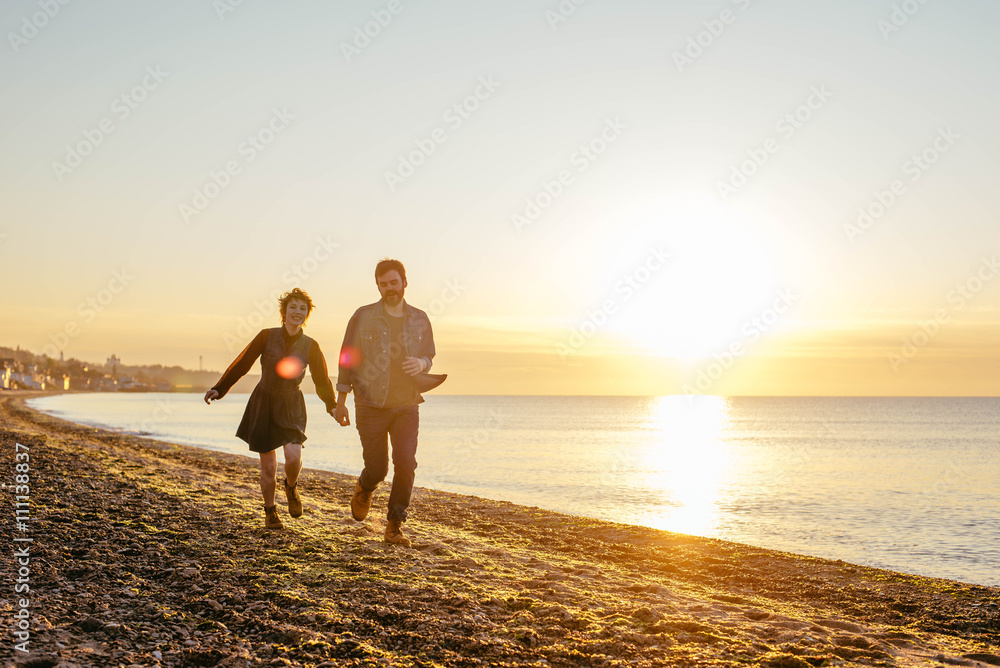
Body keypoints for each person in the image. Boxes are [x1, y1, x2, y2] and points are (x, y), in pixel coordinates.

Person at [204, 288, 336, 530]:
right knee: (269, 467)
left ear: (307, 315)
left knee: (294, 456)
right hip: (264, 402)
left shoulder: (311, 346)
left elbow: (322, 380)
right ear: (283, 312)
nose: (297, 312)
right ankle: (270, 511)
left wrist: (332, 406)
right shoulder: (266, 336)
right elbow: (243, 363)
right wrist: (220, 389)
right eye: (293, 307)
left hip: (291, 404)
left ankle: (291, 487)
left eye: (302, 309)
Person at [334, 259, 445, 547]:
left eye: (393, 282)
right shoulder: (363, 316)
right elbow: (347, 357)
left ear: (404, 282)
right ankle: (365, 486)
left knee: (406, 463)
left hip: (407, 404)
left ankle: (394, 525)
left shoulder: (420, 318)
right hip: (370, 404)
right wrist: (341, 401)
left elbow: (429, 353)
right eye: (383, 284)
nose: (389, 289)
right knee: (378, 469)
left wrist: (421, 362)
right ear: (378, 286)